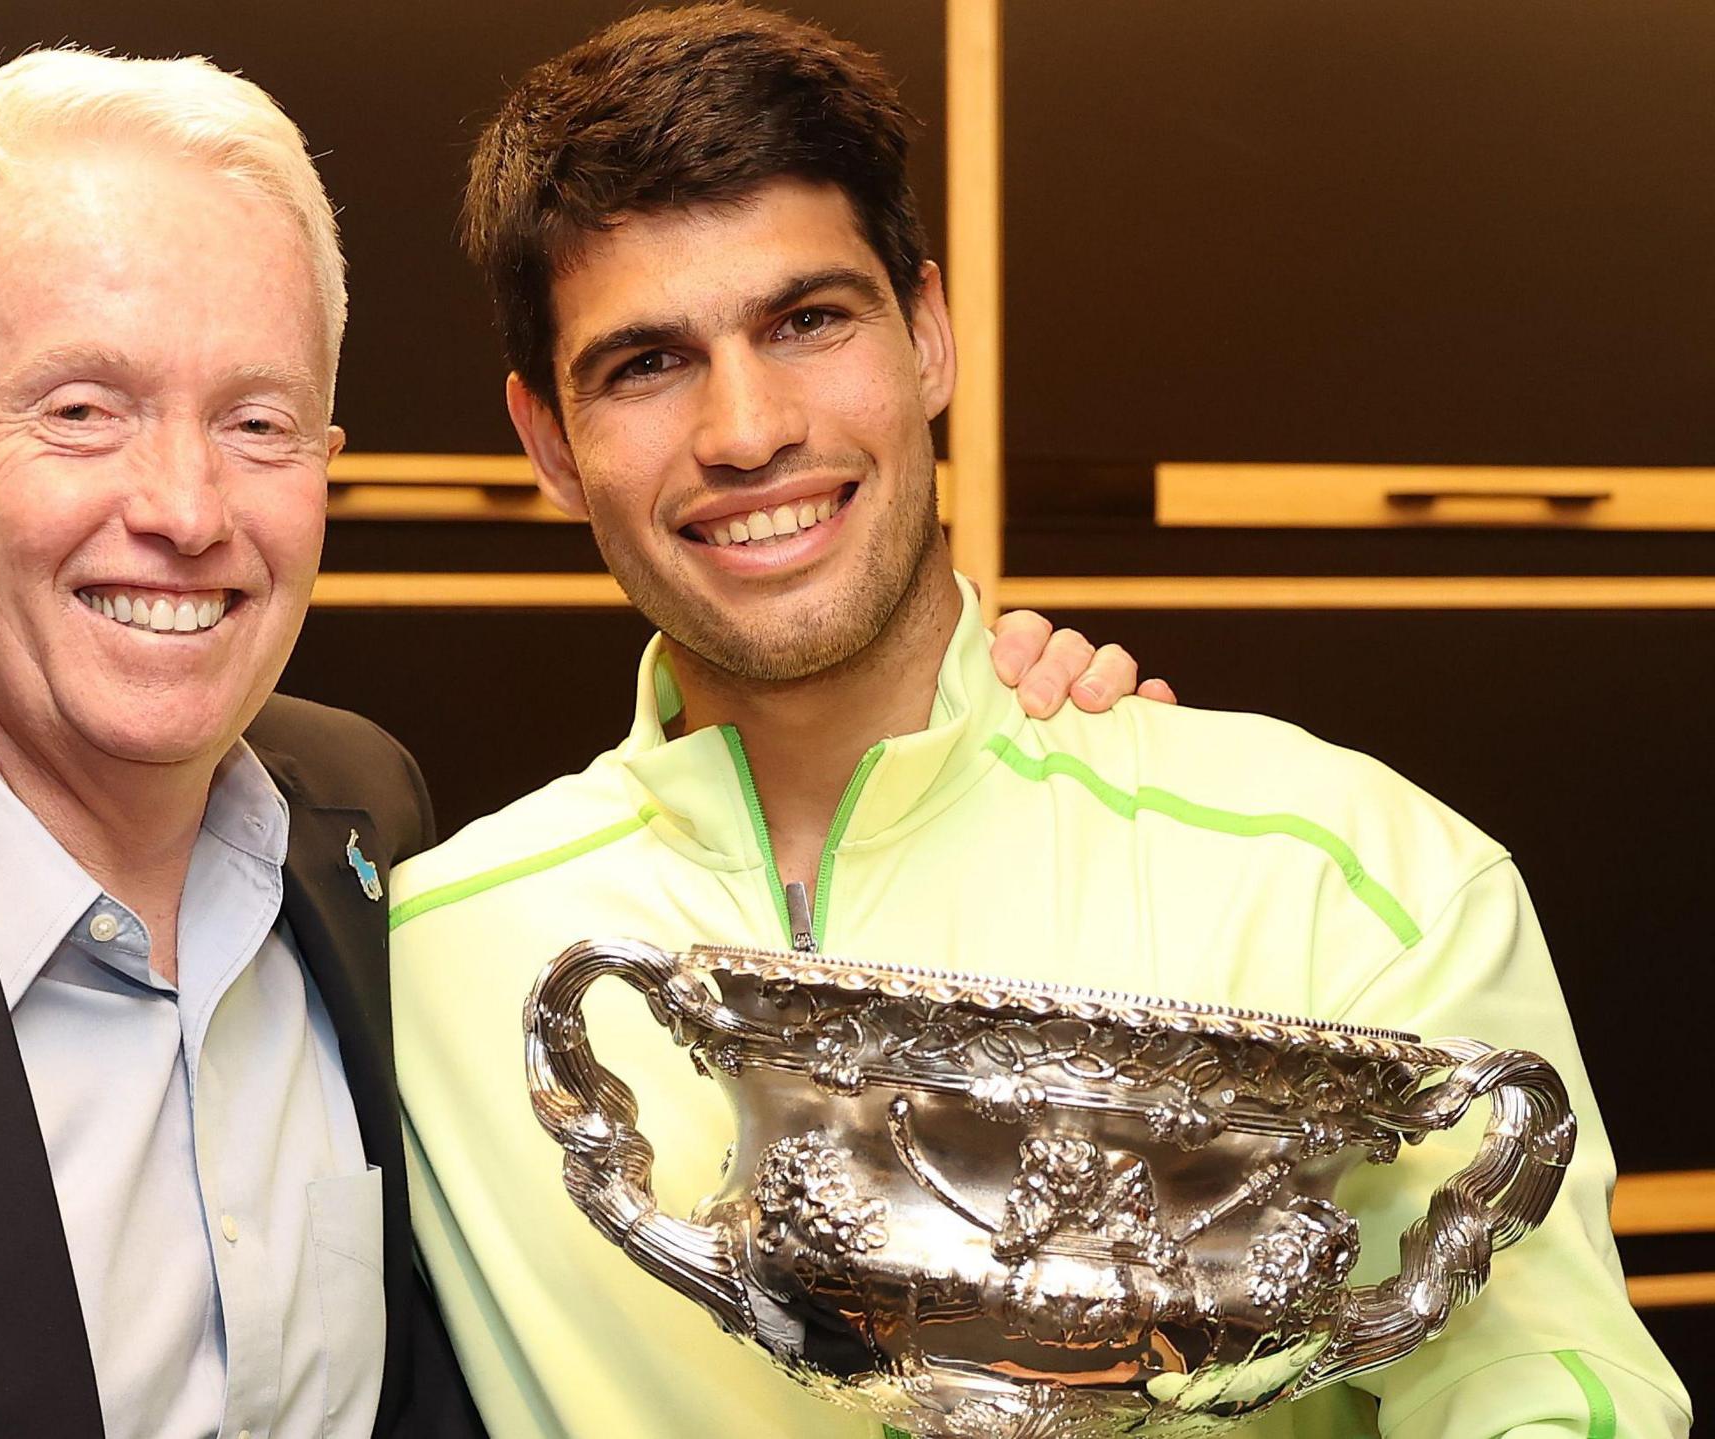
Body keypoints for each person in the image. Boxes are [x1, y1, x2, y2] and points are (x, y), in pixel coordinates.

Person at [0, 41, 1134, 1439]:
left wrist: (1025, 733)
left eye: (258, 420)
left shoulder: (366, 834)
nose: (187, 508)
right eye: (84, 409)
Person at [389, 8, 1691, 1439]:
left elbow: (1542, 1382)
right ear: (546, 445)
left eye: (808, 320)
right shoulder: (429, 967)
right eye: (645, 364)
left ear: (930, 335)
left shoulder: (1334, 867)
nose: (747, 429)